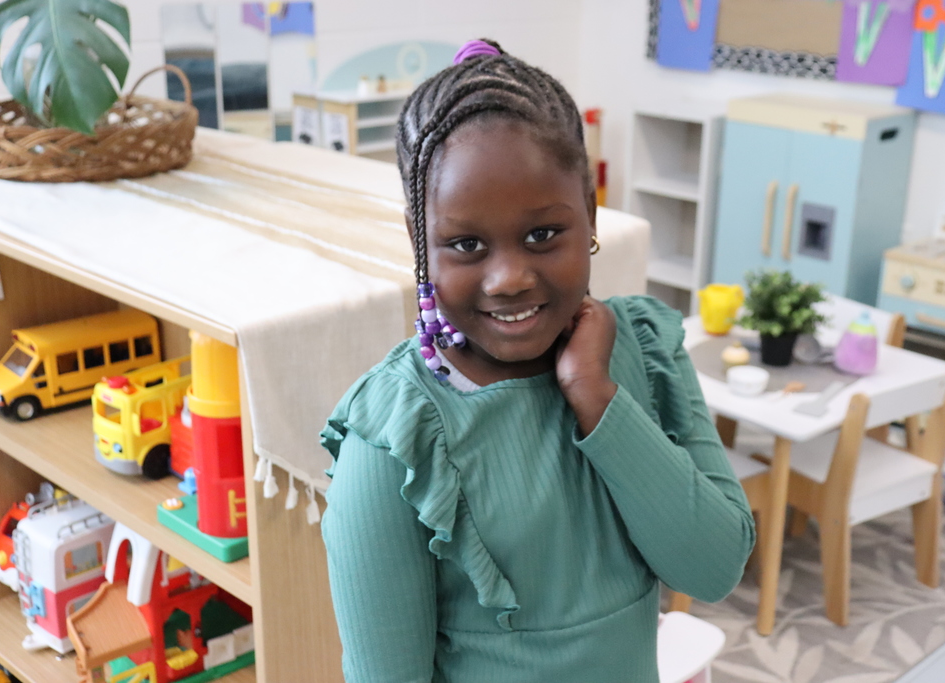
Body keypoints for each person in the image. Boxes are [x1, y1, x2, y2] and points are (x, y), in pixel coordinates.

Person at [320, 39, 755, 683]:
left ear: (591, 212)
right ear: (421, 242)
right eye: (466, 244)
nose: (509, 278)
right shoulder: (395, 437)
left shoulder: (644, 347)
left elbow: (713, 567)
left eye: (543, 235)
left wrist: (597, 398)